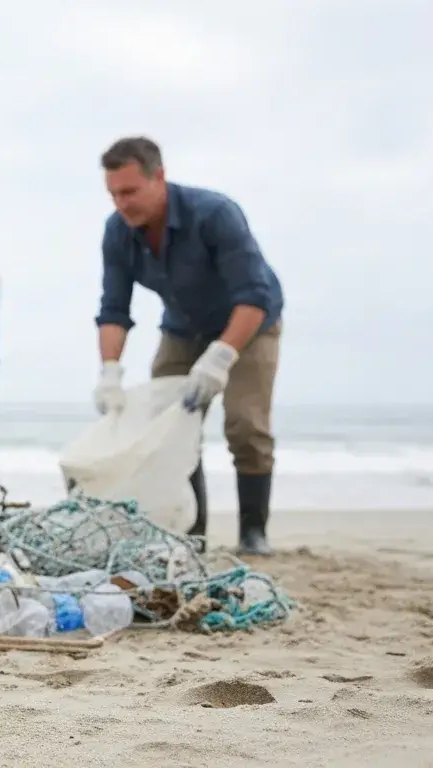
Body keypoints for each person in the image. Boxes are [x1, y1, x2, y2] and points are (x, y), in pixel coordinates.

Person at [92, 136, 284, 557]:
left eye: (129, 191)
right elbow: (113, 310)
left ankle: (254, 531)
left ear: (158, 177)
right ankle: (191, 532)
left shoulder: (215, 214)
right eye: (113, 195)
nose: (121, 204)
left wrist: (221, 357)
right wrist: (109, 371)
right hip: (182, 330)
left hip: (250, 323)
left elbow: (254, 295)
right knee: (171, 428)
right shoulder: (117, 233)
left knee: (245, 425)